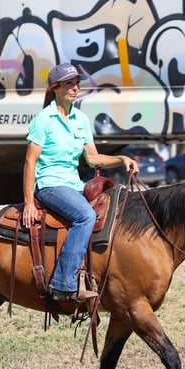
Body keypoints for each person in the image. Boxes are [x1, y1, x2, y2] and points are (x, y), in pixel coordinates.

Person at [22, 62, 138, 302]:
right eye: (69, 83)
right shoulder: (44, 119)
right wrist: (29, 203)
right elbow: (30, 163)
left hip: (74, 184)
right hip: (50, 185)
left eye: (76, 83)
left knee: (115, 209)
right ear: (55, 87)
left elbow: (92, 158)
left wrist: (121, 158)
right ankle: (64, 282)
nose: (75, 88)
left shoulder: (81, 119)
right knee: (85, 216)